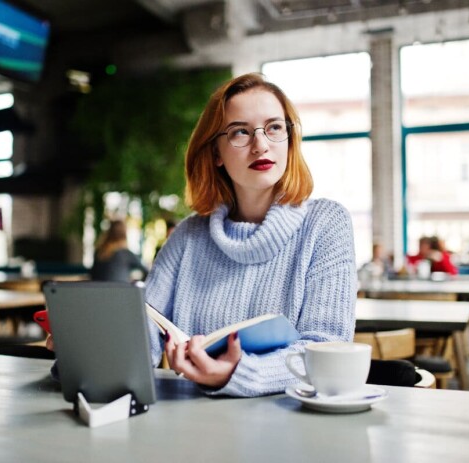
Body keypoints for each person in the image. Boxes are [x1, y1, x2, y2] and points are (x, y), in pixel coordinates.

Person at [144, 73, 357, 397]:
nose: (261, 145)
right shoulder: (188, 236)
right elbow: (144, 331)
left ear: (289, 138)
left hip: (294, 431)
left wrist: (237, 374)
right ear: (216, 152)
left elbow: (326, 350)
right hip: (193, 432)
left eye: (274, 128)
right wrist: (90, 349)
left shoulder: (326, 224)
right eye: (240, 132)